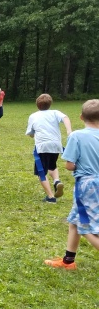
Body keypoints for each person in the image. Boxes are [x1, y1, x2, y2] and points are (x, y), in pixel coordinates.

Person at [44, 99, 99, 270]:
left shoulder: (77, 136)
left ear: (81, 117)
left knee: (85, 226)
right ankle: (68, 261)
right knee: (75, 221)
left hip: (87, 186)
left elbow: (69, 165)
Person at [26, 93, 72, 203]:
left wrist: (33, 135)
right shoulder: (55, 112)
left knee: (41, 172)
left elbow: (30, 133)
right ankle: (56, 181)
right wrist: (69, 130)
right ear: (50, 104)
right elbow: (65, 117)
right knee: (52, 166)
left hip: (42, 147)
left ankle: (51, 197)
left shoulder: (33, 116)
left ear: (37, 105)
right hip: (56, 145)